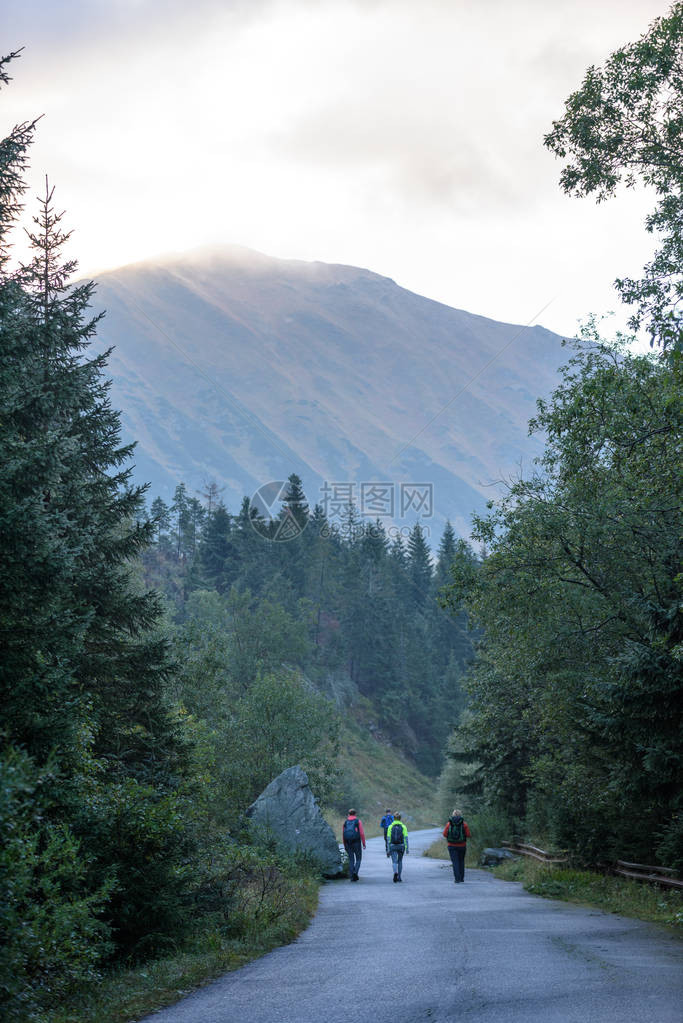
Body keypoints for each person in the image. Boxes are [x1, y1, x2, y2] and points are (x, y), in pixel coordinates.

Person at [443, 808, 471, 883]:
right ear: (460, 815)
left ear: (453, 814)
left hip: (451, 846)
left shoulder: (449, 824)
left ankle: (457, 879)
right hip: (462, 846)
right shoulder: (464, 824)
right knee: (461, 861)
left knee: (455, 862)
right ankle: (461, 878)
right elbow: (468, 835)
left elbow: (444, 834)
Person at [342, 808, 366, 881]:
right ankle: (355, 872)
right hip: (356, 842)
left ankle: (352, 876)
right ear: (355, 814)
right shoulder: (358, 821)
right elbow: (361, 833)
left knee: (351, 859)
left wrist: (344, 844)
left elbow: (343, 834)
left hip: (348, 842)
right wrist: (364, 843)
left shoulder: (345, 822)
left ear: (348, 814)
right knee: (358, 859)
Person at [387, 812, 409, 882]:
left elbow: (388, 839)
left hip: (393, 846)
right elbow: (406, 838)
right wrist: (407, 848)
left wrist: (388, 849)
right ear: (400, 818)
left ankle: (395, 872)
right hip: (401, 846)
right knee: (400, 861)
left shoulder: (390, 826)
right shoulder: (403, 826)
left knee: (394, 861)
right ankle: (399, 877)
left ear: (394, 818)